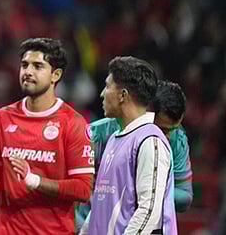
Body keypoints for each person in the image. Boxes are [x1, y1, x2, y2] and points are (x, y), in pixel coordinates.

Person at [0, 37, 93, 235]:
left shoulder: (73, 123)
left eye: (38, 66)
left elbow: (83, 190)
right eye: (24, 65)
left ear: (55, 75)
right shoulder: (2, 118)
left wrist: (35, 181)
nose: (28, 72)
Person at [75, 80, 193, 230]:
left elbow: (185, 196)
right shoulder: (97, 134)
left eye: (173, 129)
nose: (167, 137)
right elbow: (73, 190)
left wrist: (148, 188)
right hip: (92, 223)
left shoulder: (177, 140)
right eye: (162, 130)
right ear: (145, 111)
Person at [82, 57, 176, 235]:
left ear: (123, 95)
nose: (102, 93)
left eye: (108, 86)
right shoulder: (113, 139)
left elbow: (148, 212)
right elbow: (100, 206)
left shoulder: (150, 141)